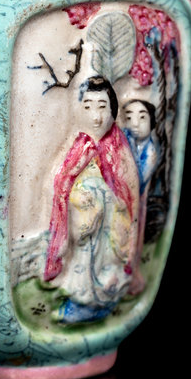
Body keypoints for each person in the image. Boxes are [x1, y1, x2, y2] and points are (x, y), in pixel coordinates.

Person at [43, 76, 140, 324]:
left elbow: (127, 190)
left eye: (102, 107)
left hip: (108, 228)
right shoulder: (81, 146)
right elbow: (63, 180)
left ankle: (100, 302)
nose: (96, 117)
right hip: (84, 223)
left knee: (103, 266)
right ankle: (80, 299)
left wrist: (104, 203)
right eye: (88, 107)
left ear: (113, 110)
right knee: (81, 264)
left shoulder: (118, 148)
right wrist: (79, 199)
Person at [121, 99, 160, 294]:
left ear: (151, 121)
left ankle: (131, 278)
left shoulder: (150, 153)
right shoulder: (127, 141)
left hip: (136, 205)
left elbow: (138, 183)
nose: (134, 124)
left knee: (132, 241)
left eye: (142, 117)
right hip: (123, 203)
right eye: (129, 118)